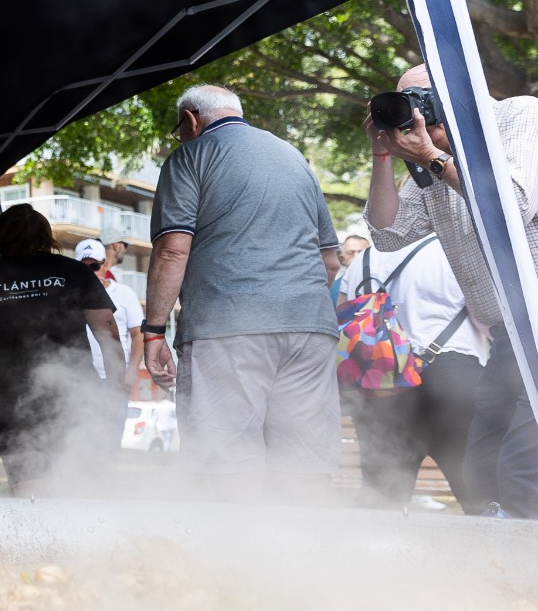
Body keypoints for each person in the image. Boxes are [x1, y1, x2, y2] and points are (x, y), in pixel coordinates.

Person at [144, 84, 343, 502]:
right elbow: (329, 261)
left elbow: (172, 249)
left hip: (227, 327)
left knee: (225, 463)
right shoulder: (295, 158)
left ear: (191, 120)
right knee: (303, 464)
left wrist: (153, 331)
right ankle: (310, 560)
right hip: (309, 329)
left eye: (179, 129)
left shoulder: (191, 156)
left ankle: (234, 560)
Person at [364, 64, 538, 517]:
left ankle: (521, 579)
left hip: (537, 320)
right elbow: (386, 233)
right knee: (480, 470)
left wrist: (432, 157)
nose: (414, 112)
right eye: (407, 101)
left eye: (422, 98)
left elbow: (515, 206)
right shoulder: (429, 160)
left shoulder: (518, 116)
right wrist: (383, 157)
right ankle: (496, 571)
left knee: (522, 469)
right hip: (507, 334)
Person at [0, 206, 124, 493]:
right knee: (79, 484)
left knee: (28, 490)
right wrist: (113, 396)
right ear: (46, 237)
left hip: (8, 398)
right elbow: (109, 339)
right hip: (74, 394)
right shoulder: (74, 272)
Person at [338, 236, 486, 509]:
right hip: (450, 373)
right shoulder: (457, 249)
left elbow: (344, 315)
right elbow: (487, 317)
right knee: (478, 490)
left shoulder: (362, 259)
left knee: (381, 496)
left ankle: (369, 551)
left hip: (380, 380)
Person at [76, 238, 144, 390]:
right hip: (81, 379)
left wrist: (132, 371)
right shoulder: (69, 295)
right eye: (83, 267)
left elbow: (138, 335)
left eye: (94, 266)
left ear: (105, 265)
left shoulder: (125, 293)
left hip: (114, 378)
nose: (89, 272)